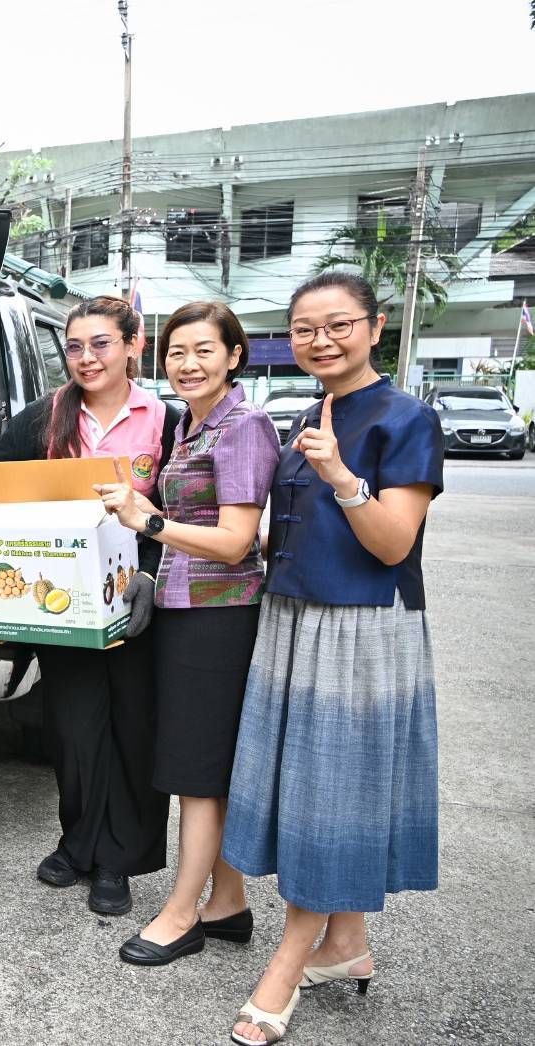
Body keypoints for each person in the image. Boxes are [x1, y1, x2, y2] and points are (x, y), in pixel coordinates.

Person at [220, 271, 442, 1045]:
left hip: (359, 626)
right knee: (315, 789)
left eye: (339, 324)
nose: (322, 340)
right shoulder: (306, 411)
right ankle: (345, 942)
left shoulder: (407, 417)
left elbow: (393, 544)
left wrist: (343, 478)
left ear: (375, 327)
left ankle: (287, 965)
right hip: (292, 617)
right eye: (305, 328)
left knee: (328, 794)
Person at [0, 295, 179, 917]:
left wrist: (152, 574)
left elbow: (185, 511)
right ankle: (78, 843)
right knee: (73, 729)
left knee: (133, 730)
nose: (87, 358)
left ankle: (118, 858)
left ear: (133, 345)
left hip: (137, 601)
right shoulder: (45, 417)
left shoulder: (167, 422)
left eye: (101, 343)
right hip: (65, 608)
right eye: (75, 347)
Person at [89, 301, 280, 967]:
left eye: (204, 350)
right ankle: (226, 902)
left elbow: (234, 541)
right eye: (176, 352)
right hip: (185, 609)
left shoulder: (244, 425)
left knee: (197, 773)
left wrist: (148, 524)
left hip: (219, 615)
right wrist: (140, 511)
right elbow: (193, 519)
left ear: (234, 355)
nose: (188, 364)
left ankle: (181, 915)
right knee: (203, 767)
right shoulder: (194, 424)